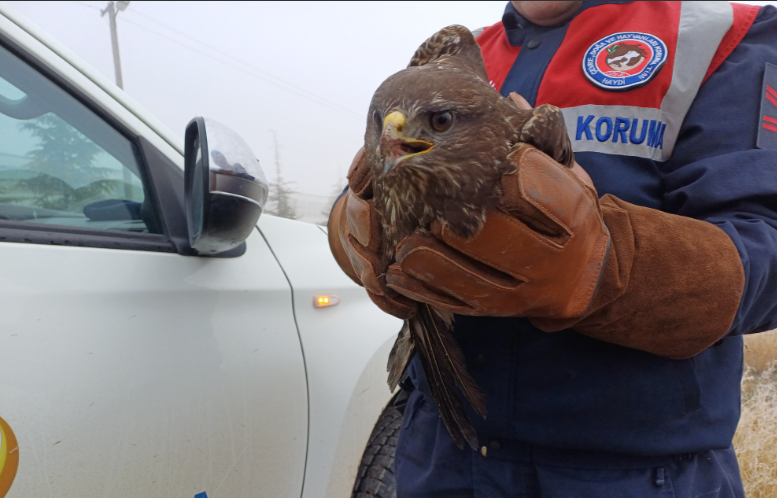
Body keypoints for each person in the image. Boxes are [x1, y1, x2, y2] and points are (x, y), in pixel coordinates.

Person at [328, 1, 777, 496]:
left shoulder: (719, 35)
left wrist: (608, 268)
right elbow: (366, 189)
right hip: (441, 449)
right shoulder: (454, 57)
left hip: (635, 470)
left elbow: (766, 253)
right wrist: (352, 237)